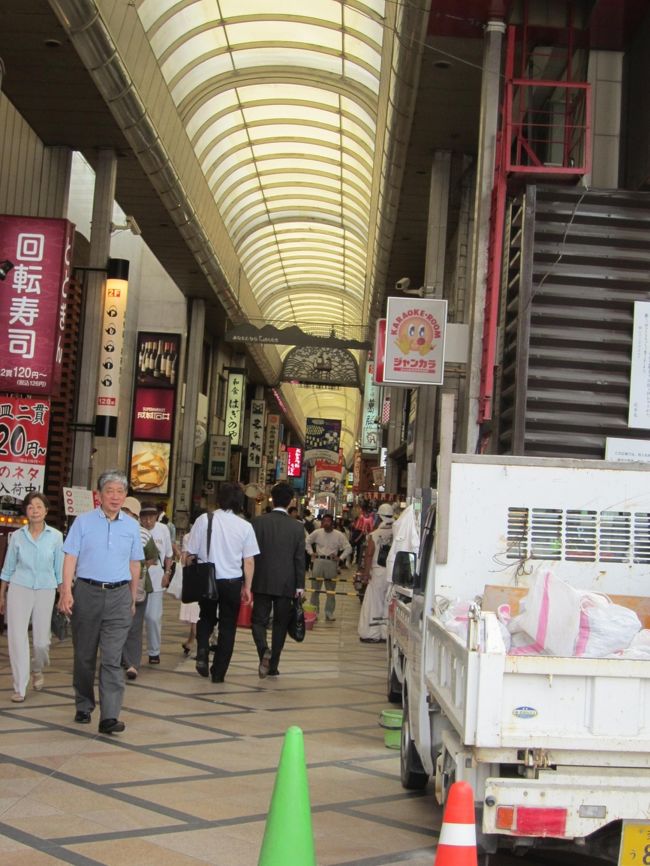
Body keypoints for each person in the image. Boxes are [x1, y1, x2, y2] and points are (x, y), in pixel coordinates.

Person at [59, 469, 144, 735]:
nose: (115, 497)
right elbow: (70, 557)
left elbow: (135, 565)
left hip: (119, 596)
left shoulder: (132, 526)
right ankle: (84, 704)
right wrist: (66, 591)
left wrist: (131, 597)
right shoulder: (83, 523)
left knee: (112, 658)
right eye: (110, 491)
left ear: (126, 495)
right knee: (84, 657)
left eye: (120, 492)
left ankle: (109, 716)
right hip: (87, 592)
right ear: (99, 495)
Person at [185, 482, 259, 682]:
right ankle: (218, 673)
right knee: (228, 626)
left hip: (207, 578)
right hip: (232, 581)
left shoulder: (204, 520)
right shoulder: (245, 526)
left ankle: (202, 651)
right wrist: (248, 587)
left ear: (219, 499)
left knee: (206, 617)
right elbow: (249, 560)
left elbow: (190, 553)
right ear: (240, 503)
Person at [0, 492, 63, 702]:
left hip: (46, 589)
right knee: (16, 638)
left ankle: (37, 668)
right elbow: (8, 569)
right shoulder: (17, 536)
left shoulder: (55, 537)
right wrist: (2, 594)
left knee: (41, 643)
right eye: (30, 507)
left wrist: (64, 594)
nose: (34, 510)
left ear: (46, 510)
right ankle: (20, 686)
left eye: (39, 506)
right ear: (26, 511)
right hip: (19, 587)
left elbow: (59, 570)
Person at [251, 482, 306, 678]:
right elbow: (300, 559)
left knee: (258, 621)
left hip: (261, 579)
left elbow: (251, 554)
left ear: (271, 499)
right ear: (291, 501)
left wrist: (247, 580)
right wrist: (300, 586)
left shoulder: (257, 522)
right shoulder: (297, 528)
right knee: (280, 624)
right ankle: (273, 664)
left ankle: (263, 651)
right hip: (287, 582)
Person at [121, 497, 159, 680]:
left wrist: (140, 567)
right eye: (124, 511)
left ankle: (132, 663)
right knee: (116, 624)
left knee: (134, 626)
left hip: (139, 586)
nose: (126, 515)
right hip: (115, 584)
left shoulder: (143, 534)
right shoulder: (111, 530)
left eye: (130, 513)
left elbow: (153, 557)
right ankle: (119, 657)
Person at [139, 501, 174, 665]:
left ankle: (154, 651)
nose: (148, 521)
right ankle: (132, 651)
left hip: (156, 578)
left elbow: (168, 554)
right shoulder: (135, 530)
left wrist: (167, 573)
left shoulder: (163, 529)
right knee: (136, 618)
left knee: (153, 617)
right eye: (144, 517)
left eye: (151, 517)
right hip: (138, 579)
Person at [358, 503, 395, 643]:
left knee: (374, 603)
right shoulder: (397, 532)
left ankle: (372, 634)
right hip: (392, 574)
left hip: (378, 573)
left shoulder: (374, 535)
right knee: (388, 603)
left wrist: (365, 574)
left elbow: (369, 555)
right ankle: (386, 634)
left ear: (379, 517)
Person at [306, 513, 351, 622]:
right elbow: (306, 541)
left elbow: (348, 548)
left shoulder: (339, 535)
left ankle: (329, 612)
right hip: (318, 561)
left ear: (332, 523)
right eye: (324, 521)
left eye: (328, 521)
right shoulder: (317, 533)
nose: (326, 523)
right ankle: (314, 613)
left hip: (331, 563)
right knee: (315, 589)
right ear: (321, 523)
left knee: (330, 590)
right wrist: (311, 552)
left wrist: (340, 558)